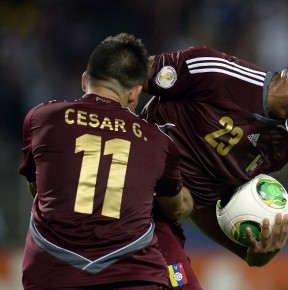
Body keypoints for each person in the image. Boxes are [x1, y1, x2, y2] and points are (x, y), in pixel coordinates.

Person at [141, 40, 288, 289]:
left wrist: (248, 254)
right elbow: (125, 77)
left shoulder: (279, 148)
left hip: (158, 224)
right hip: (117, 193)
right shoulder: (217, 73)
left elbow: (201, 205)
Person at [18, 33, 194, 290]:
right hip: (134, 276)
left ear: (84, 79)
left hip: (53, 274)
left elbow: (37, 188)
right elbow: (177, 208)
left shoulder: (41, 119)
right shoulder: (158, 143)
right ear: (134, 93)